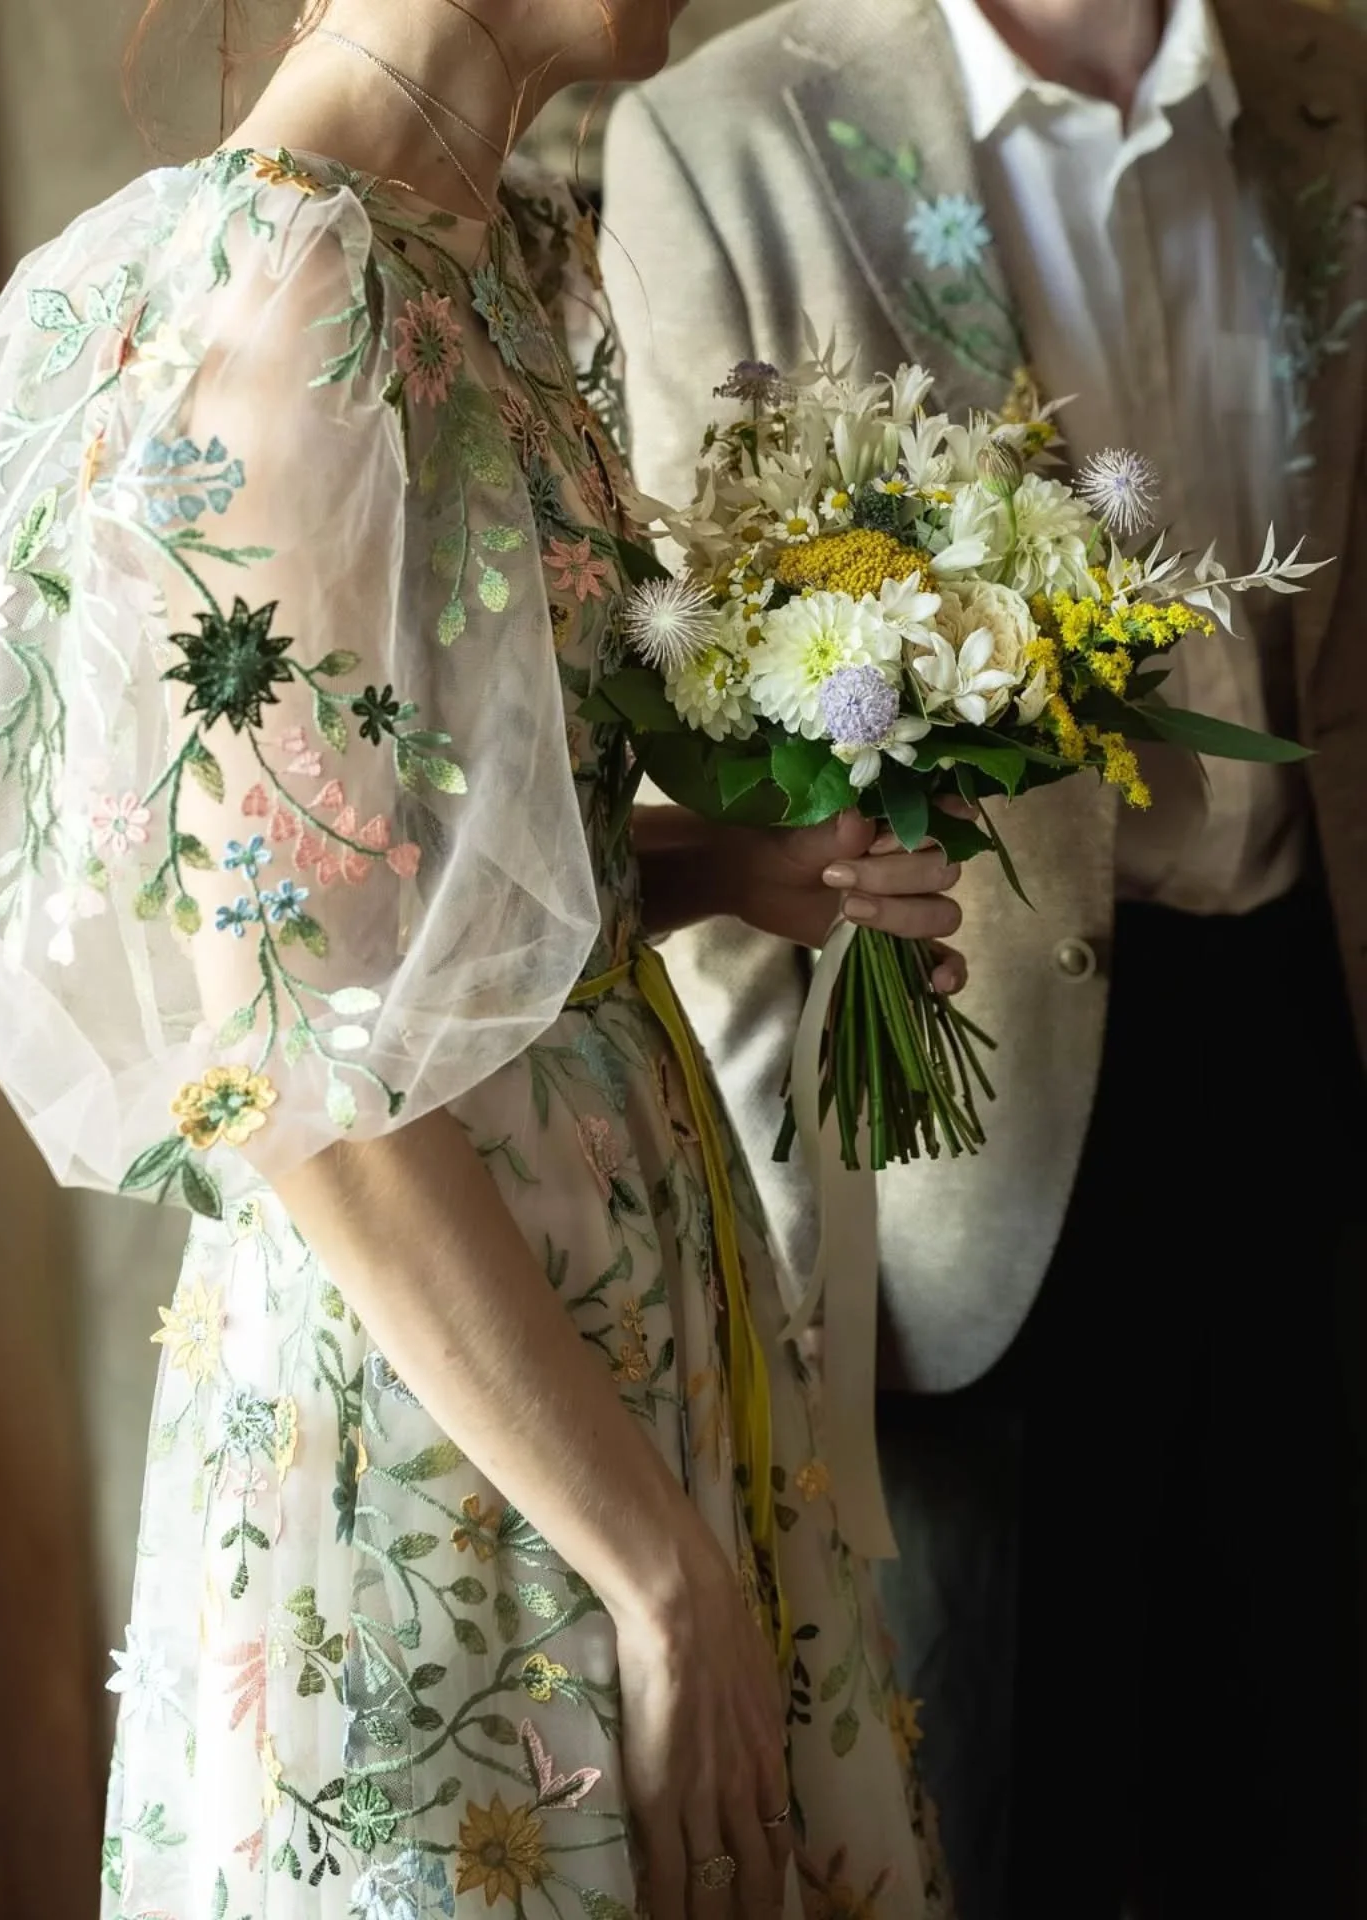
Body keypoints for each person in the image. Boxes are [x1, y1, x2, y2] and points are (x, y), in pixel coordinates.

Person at [0, 1, 980, 1916]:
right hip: (457, 1395)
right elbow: (278, 1054)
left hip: (622, 1297)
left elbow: (409, 893)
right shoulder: (297, 300)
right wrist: (649, 1564)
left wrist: (714, 866)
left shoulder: (468, 253)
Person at [601, 0, 1367, 1915]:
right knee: (1027, 1819)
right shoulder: (728, 136)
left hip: (1316, 1038)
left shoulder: (1326, 84)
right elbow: (699, 716)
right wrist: (808, 1249)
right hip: (972, 1106)